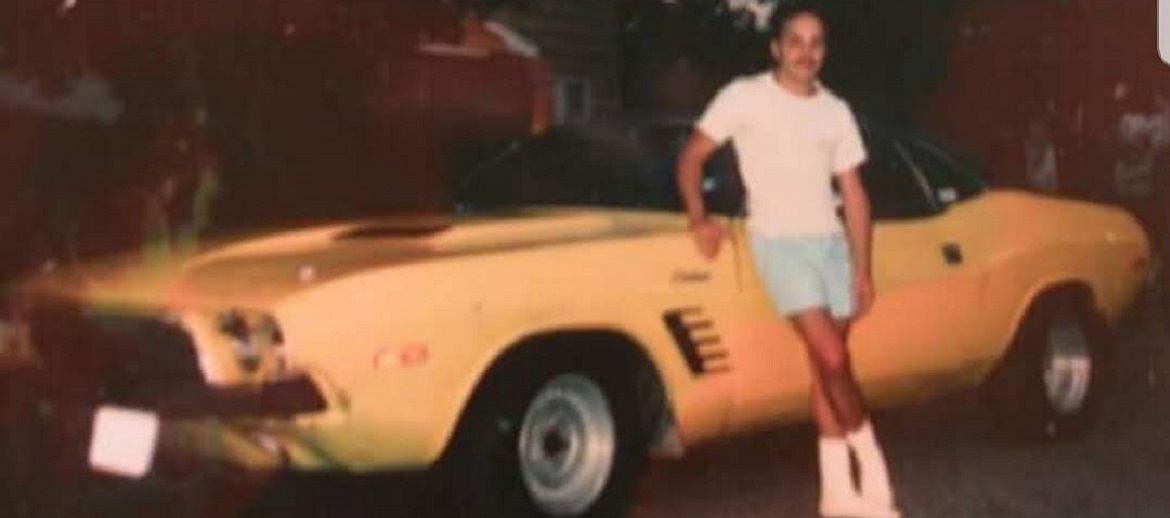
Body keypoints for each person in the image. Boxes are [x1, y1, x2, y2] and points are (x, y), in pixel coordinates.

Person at [676, 4, 899, 518]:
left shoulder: (835, 111)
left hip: (829, 245)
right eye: (795, 41)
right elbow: (691, 158)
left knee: (825, 369)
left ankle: (837, 496)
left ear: (824, 51)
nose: (805, 52)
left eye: (816, 42)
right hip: (779, 244)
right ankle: (875, 470)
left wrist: (863, 269)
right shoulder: (745, 96)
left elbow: (855, 194)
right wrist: (698, 219)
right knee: (834, 359)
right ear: (775, 47)